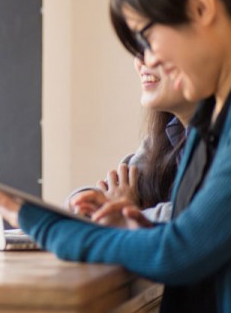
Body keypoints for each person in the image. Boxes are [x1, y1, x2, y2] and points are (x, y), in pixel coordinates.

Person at [0, 0, 231, 313]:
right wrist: (135, 230)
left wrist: (46, 226)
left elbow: (181, 253)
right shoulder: (210, 121)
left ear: (202, 8)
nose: (147, 60)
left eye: (146, 37)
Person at [67, 57, 196, 224]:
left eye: (151, 44)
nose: (140, 60)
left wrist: (127, 214)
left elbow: (205, 215)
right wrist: (82, 202)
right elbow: (110, 191)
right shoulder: (169, 133)